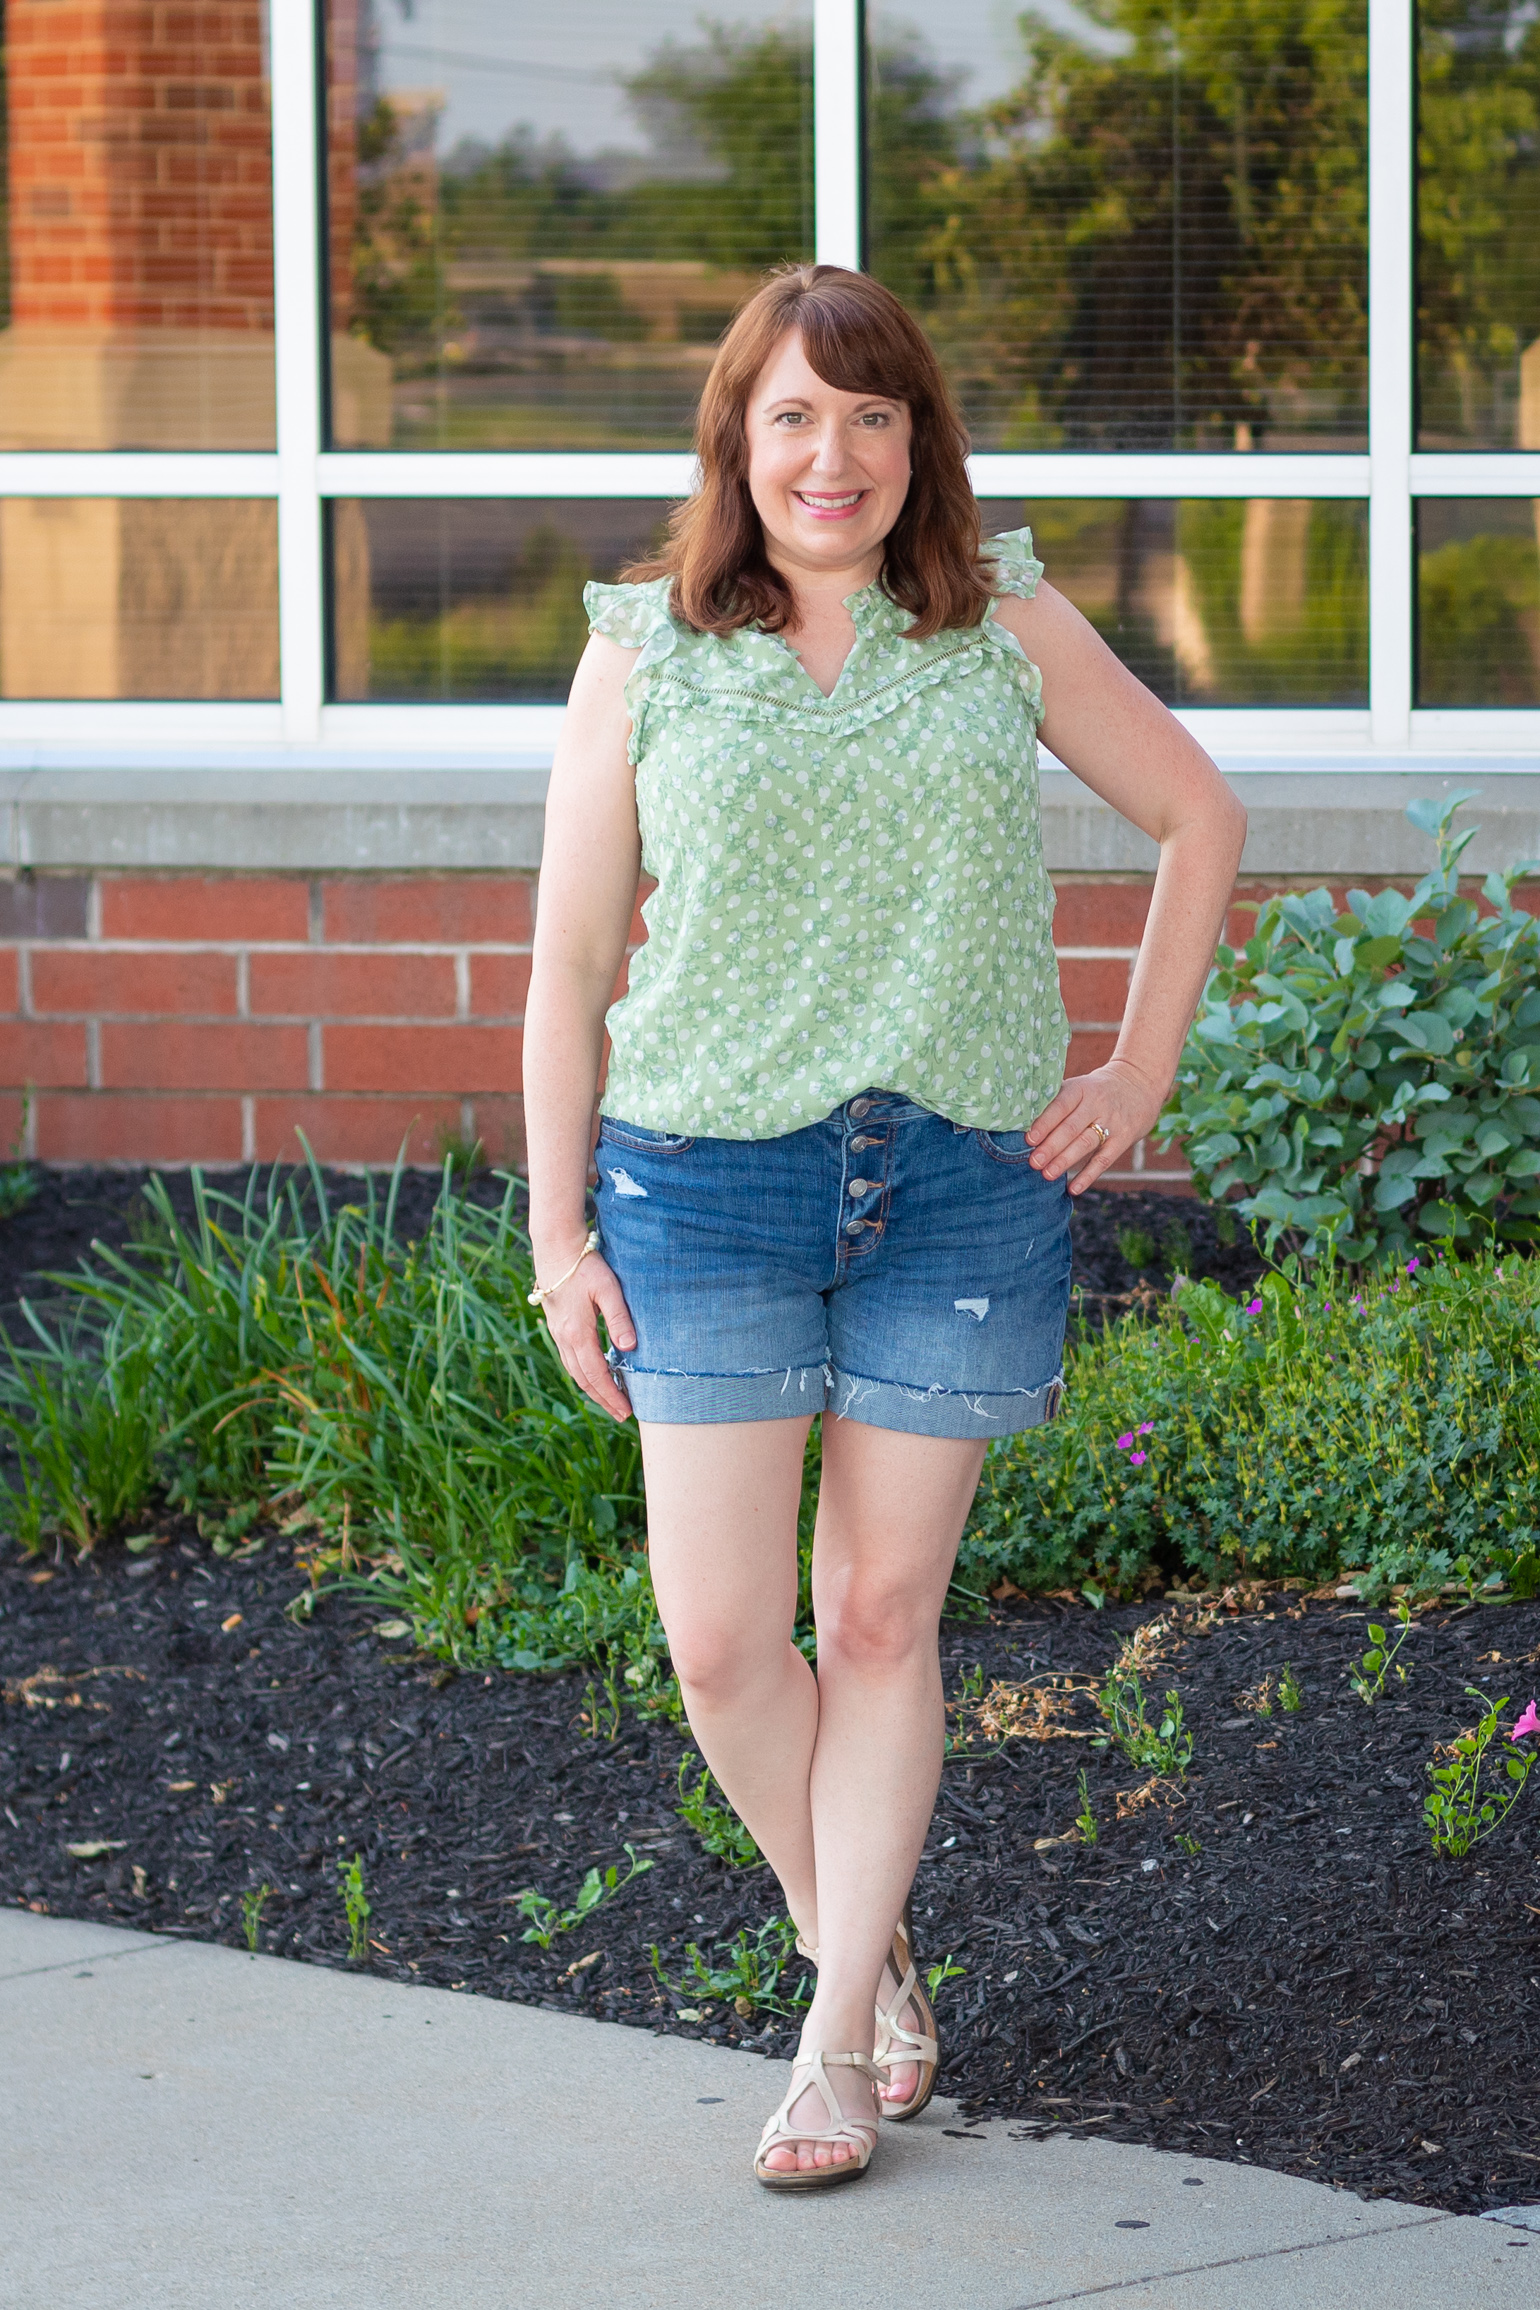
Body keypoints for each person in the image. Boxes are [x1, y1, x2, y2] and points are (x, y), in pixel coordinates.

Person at [522, 263, 1246, 2191]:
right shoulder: (645, 647)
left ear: (915, 438)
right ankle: (863, 1921)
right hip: (702, 1178)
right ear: (734, 441)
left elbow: (1200, 814)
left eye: (867, 415)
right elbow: (571, 963)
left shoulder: (994, 616)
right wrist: (554, 1237)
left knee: (879, 1615)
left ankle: (835, 2039)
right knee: (721, 1642)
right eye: (789, 416)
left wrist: (1138, 1071)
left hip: (956, 1181)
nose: (827, 454)